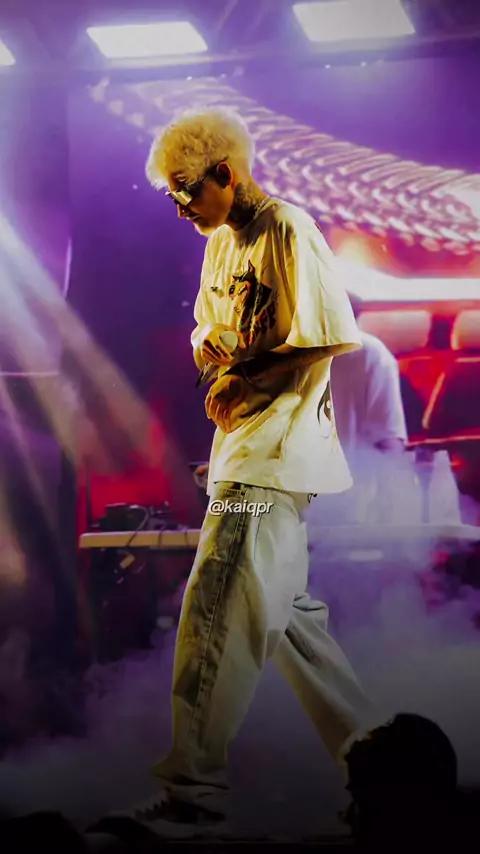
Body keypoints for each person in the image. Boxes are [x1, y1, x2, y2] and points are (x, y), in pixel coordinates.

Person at [126, 108, 382, 836]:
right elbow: (211, 329)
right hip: (245, 456)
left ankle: (193, 791)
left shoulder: (288, 229)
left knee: (214, 602)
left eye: (186, 191)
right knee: (292, 624)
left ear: (225, 174)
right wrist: (214, 356)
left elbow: (328, 336)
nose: (180, 207)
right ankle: (384, 763)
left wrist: (249, 375)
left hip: (266, 467)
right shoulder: (220, 243)